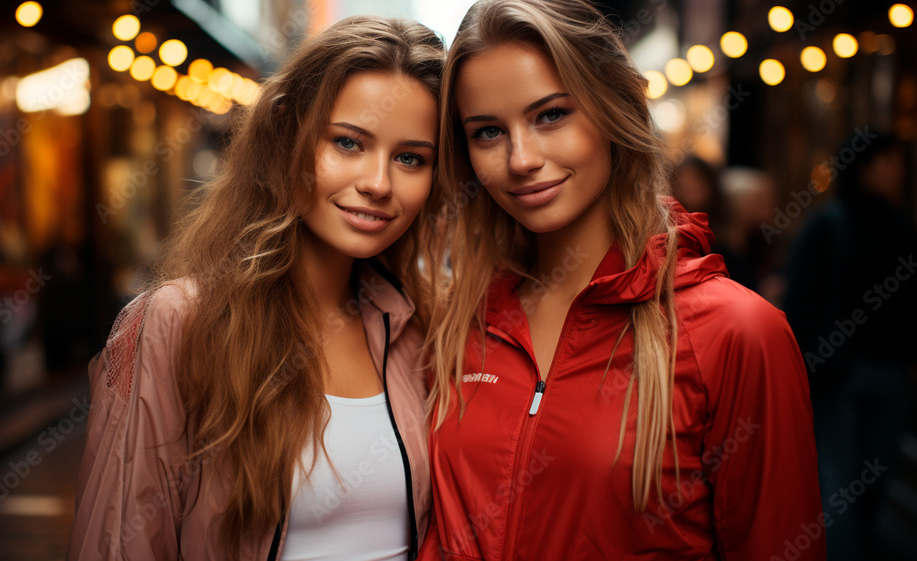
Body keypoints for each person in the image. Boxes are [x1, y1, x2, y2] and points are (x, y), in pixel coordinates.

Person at [418, 1, 824, 559]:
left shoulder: (737, 333)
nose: (520, 158)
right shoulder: (457, 321)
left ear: (613, 108)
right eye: (487, 131)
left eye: (551, 115)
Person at [68, 17, 444, 561]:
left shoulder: (417, 328)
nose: (379, 183)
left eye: (411, 157)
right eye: (347, 143)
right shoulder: (175, 323)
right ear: (286, 137)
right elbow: (117, 545)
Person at [784, 132, 917, 560]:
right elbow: (802, 301)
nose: (899, 172)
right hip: (840, 378)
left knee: (875, 478)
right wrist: (823, 364)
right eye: (890, 162)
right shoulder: (829, 226)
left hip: (890, 374)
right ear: (866, 167)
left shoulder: (901, 228)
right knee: (838, 484)